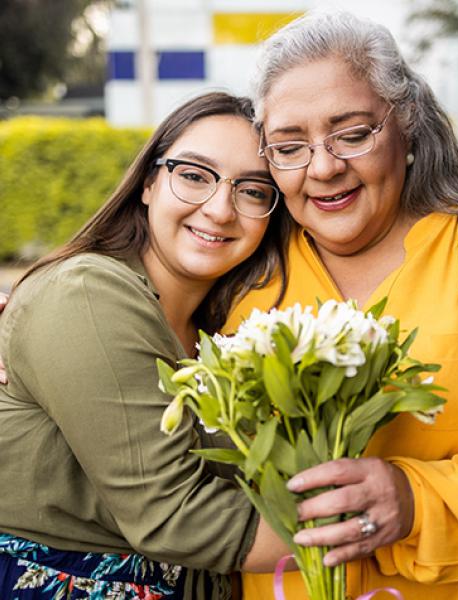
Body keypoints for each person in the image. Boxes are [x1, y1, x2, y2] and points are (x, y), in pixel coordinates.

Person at [220, 11, 458, 600]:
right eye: (290, 146)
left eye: (351, 134)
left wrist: (414, 498)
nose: (323, 168)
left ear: (408, 124)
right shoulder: (244, 272)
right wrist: (25, 321)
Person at [0, 92, 291, 600]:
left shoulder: (225, 333)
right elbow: (171, 514)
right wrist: (400, 525)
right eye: (195, 175)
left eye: (252, 190)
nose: (220, 209)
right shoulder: (88, 292)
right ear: (150, 183)